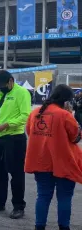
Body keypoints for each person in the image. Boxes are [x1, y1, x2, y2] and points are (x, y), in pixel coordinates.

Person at [25, 84, 82, 230]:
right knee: (64, 197)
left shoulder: (35, 112)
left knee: (43, 196)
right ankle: (64, 227)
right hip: (64, 162)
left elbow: (29, 132)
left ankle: (40, 226)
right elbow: (76, 137)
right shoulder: (65, 115)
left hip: (41, 162)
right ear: (66, 100)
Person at [0, 70, 31, 219]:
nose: (0, 88)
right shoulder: (2, 94)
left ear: (11, 81)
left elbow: (25, 115)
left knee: (16, 173)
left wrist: (8, 125)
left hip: (14, 138)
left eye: (2, 84)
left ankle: (18, 206)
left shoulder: (22, 93)